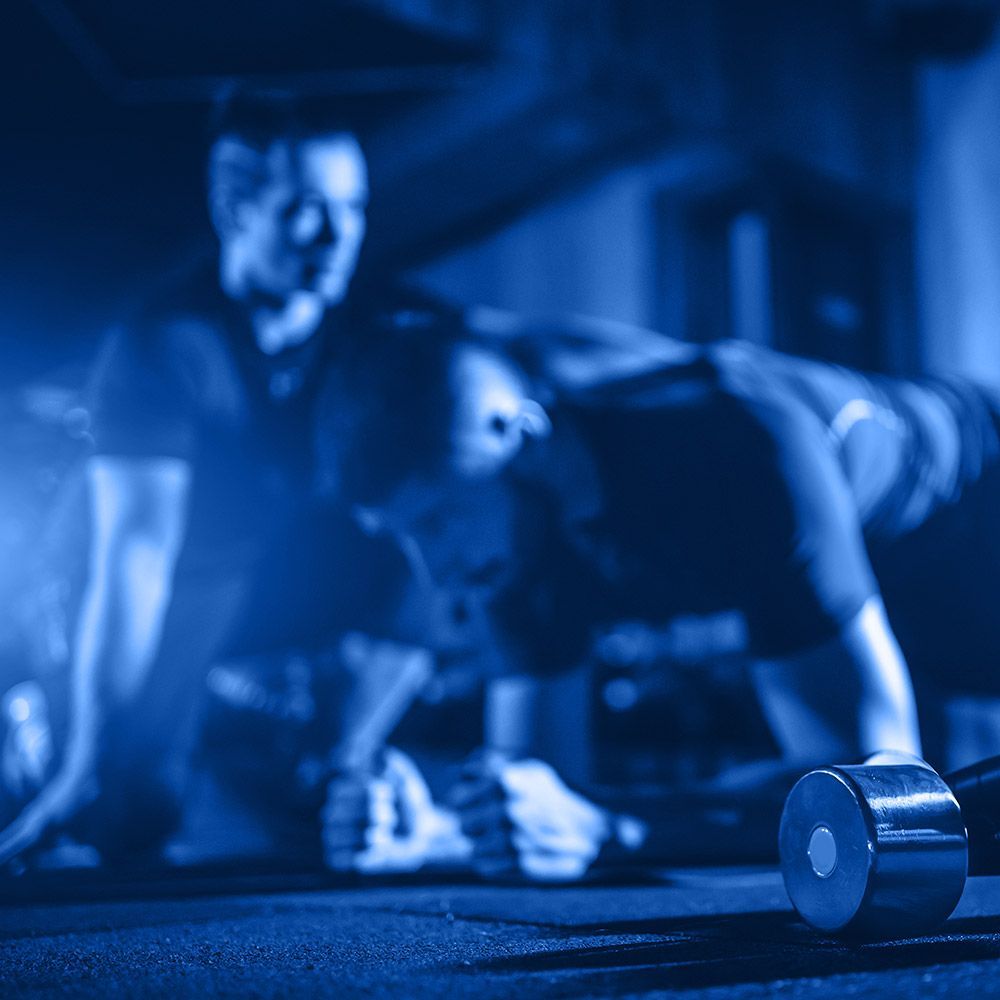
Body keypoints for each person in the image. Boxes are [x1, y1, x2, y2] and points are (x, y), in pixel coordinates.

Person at [314, 313, 1000, 879]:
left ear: (524, 442)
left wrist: (613, 827)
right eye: (404, 538)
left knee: (951, 824)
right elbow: (543, 799)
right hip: (880, 583)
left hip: (980, 505)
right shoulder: (501, 539)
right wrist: (439, 833)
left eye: (436, 521)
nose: (436, 574)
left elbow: (876, 804)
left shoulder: (735, 441)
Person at [0, 87, 412, 865]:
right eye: (307, 209)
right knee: (127, 813)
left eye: (353, 208)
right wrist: (91, 755)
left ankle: (335, 769)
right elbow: (137, 561)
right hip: (143, 585)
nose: (337, 237)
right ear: (234, 209)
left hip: (259, 574)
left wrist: (693, 363)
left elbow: (523, 344)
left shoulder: (369, 328)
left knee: (435, 532)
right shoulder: (162, 346)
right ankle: (45, 738)